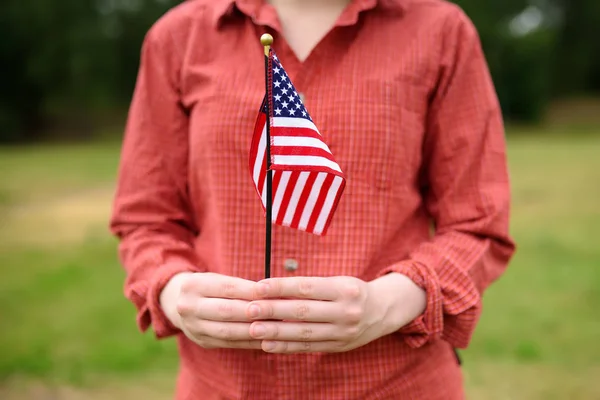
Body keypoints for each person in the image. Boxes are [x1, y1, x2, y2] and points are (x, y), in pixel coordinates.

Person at [109, 0, 516, 398]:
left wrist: (389, 303)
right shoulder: (178, 36)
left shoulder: (441, 30)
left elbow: (477, 224)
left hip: (394, 383)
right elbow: (146, 219)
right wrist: (175, 290)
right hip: (223, 385)